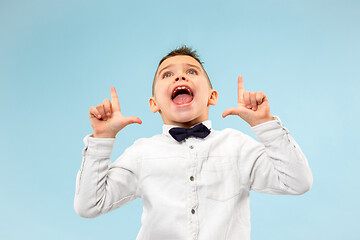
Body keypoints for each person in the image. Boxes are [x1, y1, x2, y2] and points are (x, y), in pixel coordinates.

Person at [74, 45, 313, 240]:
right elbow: (89, 205)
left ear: (212, 96)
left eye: (192, 72)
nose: (179, 76)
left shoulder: (238, 146)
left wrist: (265, 124)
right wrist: (102, 139)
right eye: (167, 74)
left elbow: (298, 182)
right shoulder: (142, 153)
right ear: (154, 103)